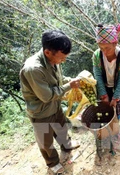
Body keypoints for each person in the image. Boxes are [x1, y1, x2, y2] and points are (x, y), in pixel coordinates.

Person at [19, 30, 80, 174]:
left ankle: (67, 145)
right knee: (46, 141)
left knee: (61, 127)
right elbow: (46, 96)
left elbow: (57, 79)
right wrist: (69, 86)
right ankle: (52, 162)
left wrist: (69, 80)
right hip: (41, 111)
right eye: (61, 58)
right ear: (47, 52)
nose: (62, 61)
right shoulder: (33, 69)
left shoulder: (54, 59)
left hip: (55, 105)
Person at [92, 23, 120, 121]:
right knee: (105, 110)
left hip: (119, 87)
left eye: (107, 48)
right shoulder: (96, 55)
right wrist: (104, 95)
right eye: (101, 48)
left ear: (115, 43)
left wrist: (115, 97)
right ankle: (108, 130)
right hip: (104, 85)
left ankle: (116, 129)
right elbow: (98, 76)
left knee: (117, 110)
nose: (104, 51)